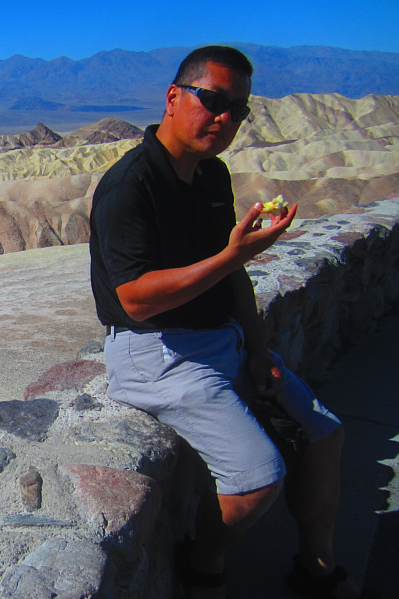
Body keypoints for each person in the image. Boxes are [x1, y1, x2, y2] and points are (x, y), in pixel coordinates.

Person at [89, 46, 369, 599]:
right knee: (260, 477)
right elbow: (136, 301)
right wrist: (232, 256)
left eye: (238, 110)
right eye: (213, 101)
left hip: (226, 342)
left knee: (324, 435)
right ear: (173, 97)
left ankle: (318, 573)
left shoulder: (211, 175)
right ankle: (205, 566)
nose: (225, 118)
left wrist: (260, 350)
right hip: (159, 353)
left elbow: (231, 276)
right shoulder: (130, 188)